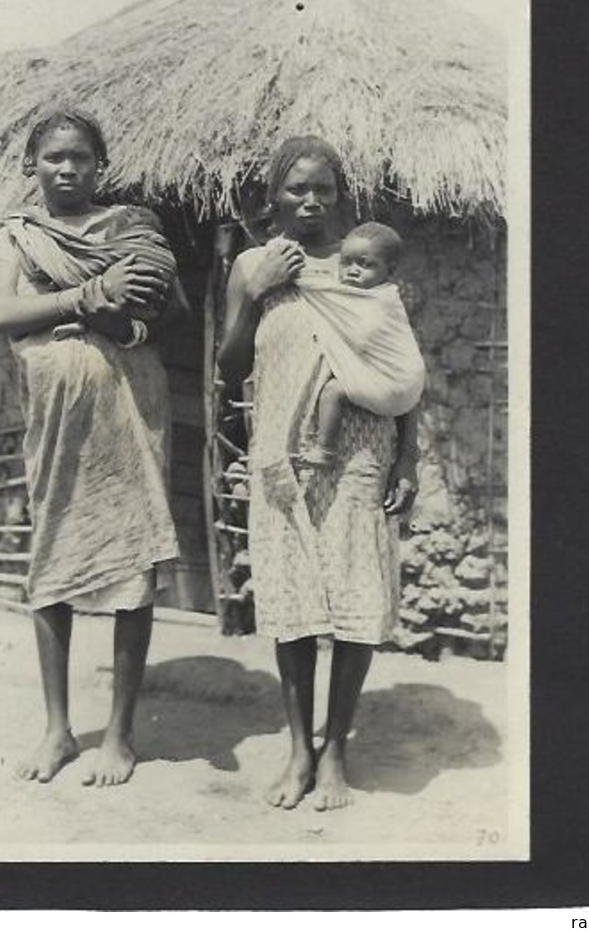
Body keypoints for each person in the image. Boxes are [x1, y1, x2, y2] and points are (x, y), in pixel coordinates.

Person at [0, 108, 185, 788]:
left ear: (101, 166)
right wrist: (90, 293)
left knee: (132, 558)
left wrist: (123, 322)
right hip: (58, 419)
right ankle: (56, 729)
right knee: (52, 560)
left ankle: (121, 735)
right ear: (30, 165)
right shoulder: (17, 235)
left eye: (79, 158)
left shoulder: (130, 228)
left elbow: (170, 312)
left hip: (130, 407)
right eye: (52, 158)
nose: (66, 169)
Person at [218, 135, 419, 812]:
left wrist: (409, 457)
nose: (310, 201)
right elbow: (227, 364)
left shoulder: (364, 266)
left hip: (361, 450)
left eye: (323, 190)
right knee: (293, 602)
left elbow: (401, 369)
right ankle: (299, 752)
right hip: (283, 452)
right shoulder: (252, 265)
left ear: (340, 196)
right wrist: (256, 293)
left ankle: (336, 752)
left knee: (355, 601)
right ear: (272, 195)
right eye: (296, 189)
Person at [295, 221, 425, 467]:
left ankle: (326, 450)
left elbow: (321, 291)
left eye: (366, 265)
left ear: (390, 270)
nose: (353, 271)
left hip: (395, 383)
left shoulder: (383, 300)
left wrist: (298, 279)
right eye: (346, 263)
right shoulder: (370, 294)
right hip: (405, 386)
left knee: (333, 391)